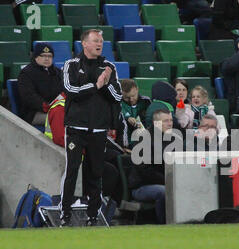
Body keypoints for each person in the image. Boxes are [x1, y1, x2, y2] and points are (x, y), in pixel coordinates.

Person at [59, 29, 122, 227]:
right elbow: (70, 91)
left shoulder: (108, 66)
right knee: (72, 170)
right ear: (84, 43)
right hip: (76, 128)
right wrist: (95, 85)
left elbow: (118, 96)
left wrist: (105, 84)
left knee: (96, 172)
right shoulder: (71, 65)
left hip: (99, 129)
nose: (100, 44)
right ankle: (65, 213)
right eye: (95, 40)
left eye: (101, 41)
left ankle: (93, 215)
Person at [129, 109, 179, 224]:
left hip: (165, 182)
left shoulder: (172, 139)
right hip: (142, 186)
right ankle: (165, 224)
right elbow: (144, 171)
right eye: (166, 121)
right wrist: (168, 181)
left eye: (171, 120)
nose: (170, 123)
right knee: (164, 191)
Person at [17, 42, 63, 126]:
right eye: (43, 56)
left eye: (49, 56)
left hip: (57, 109)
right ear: (36, 57)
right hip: (34, 113)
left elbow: (64, 90)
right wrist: (45, 106)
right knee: (61, 118)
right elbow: (28, 96)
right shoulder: (27, 73)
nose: (47, 59)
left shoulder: (58, 72)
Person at [120, 79, 151, 145]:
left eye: (133, 96)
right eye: (127, 97)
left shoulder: (146, 102)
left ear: (137, 89)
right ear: (121, 93)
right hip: (125, 142)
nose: (131, 100)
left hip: (144, 140)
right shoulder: (118, 103)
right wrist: (127, 118)